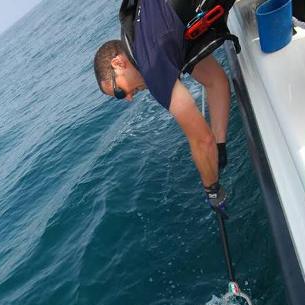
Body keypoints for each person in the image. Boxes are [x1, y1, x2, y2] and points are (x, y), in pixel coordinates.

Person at [92, 0, 238, 215]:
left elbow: (201, 140)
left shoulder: (151, 67)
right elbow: (216, 82)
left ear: (118, 63)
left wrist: (212, 190)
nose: (129, 98)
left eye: (120, 92)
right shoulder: (147, 31)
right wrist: (220, 145)